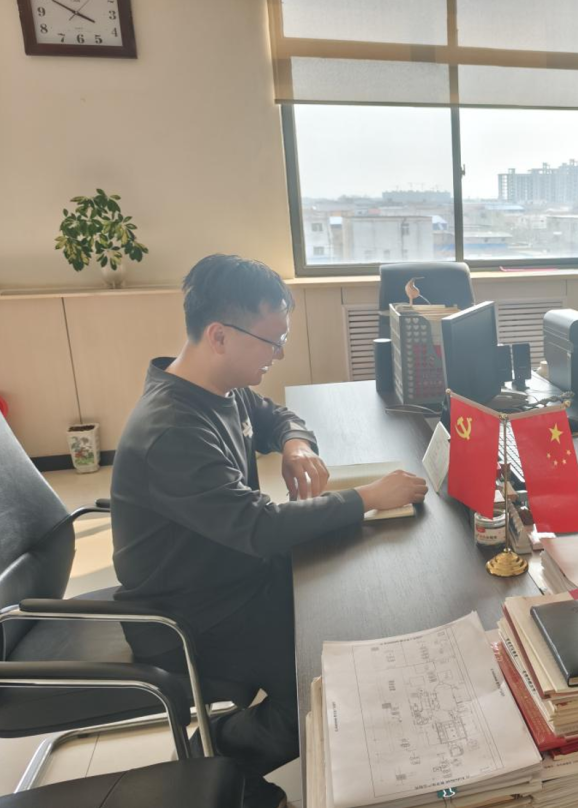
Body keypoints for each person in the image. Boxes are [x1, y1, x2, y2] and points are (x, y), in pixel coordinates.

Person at [110, 255, 427, 808]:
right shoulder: (172, 430)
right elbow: (258, 526)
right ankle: (213, 766)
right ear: (219, 335)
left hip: (231, 576)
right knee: (329, 684)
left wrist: (295, 444)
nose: (277, 355)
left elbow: (277, 416)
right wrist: (367, 498)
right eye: (272, 342)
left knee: (354, 605)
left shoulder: (216, 386)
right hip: (191, 615)